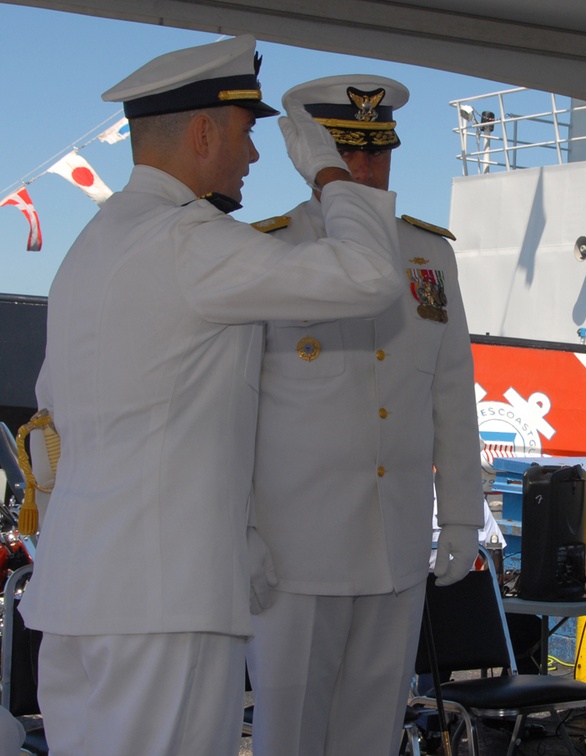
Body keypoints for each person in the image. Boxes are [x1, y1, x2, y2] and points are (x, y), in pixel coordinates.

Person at [20, 36, 405, 756]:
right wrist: (330, 174)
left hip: (78, 596)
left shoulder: (94, 244)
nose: (255, 157)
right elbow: (369, 277)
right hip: (165, 605)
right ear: (203, 132)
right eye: (246, 134)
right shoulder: (189, 240)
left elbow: (53, 422)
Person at [246, 75, 483, 756]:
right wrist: (244, 526)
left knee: (373, 736)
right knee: (290, 737)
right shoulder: (270, 250)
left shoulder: (429, 256)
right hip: (296, 554)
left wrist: (461, 514)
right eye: (348, 155)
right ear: (315, 160)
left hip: (396, 546)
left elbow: (451, 390)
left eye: (378, 154)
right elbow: (236, 409)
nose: (366, 171)